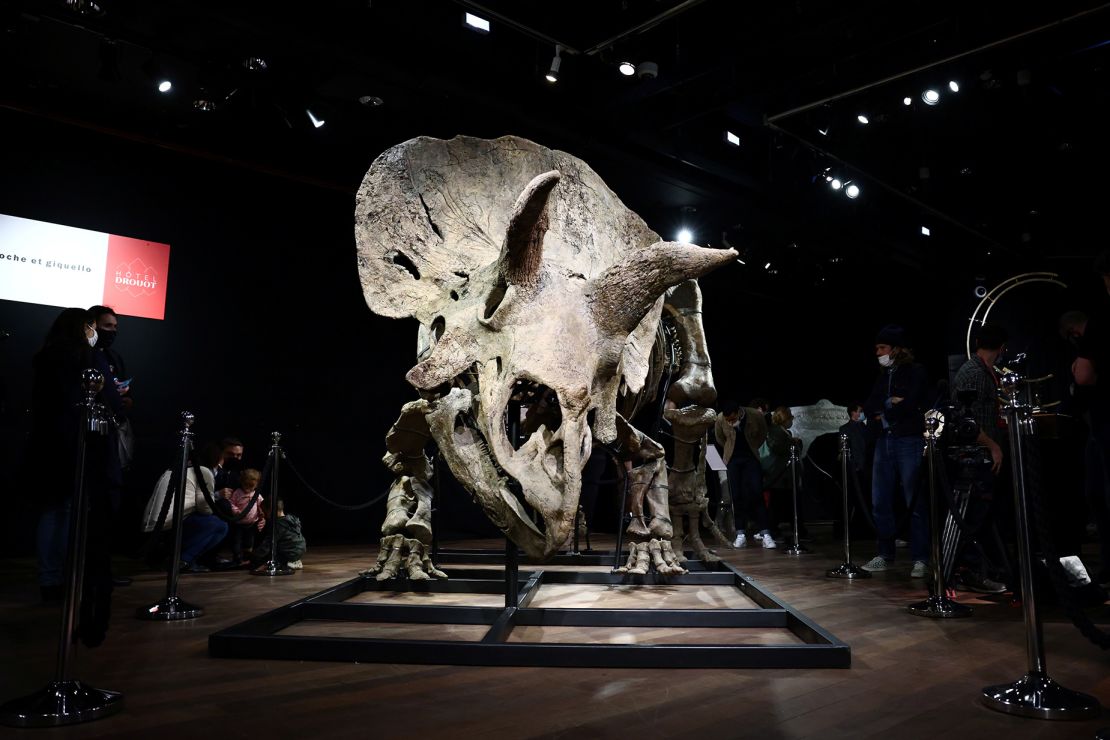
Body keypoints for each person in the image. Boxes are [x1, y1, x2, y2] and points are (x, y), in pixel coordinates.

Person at [26, 308, 125, 644]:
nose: (99, 332)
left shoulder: (46, 357)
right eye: (95, 326)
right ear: (84, 328)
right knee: (72, 511)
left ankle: (50, 578)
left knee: (54, 510)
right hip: (81, 445)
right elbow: (111, 401)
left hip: (48, 446)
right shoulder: (89, 358)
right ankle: (73, 576)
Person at [861, 325, 930, 576]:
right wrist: (891, 403)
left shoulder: (915, 371)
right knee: (880, 501)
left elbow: (912, 403)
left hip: (909, 440)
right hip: (884, 441)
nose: (878, 352)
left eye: (882, 348)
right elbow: (869, 407)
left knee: (914, 501)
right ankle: (884, 553)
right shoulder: (882, 376)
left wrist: (886, 409)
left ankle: (921, 557)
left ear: (896, 348)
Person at [949, 324, 1008, 593]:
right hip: (975, 456)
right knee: (973, 517)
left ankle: (983, 569)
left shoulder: (983, 371)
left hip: (983, 455)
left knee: (983, 516)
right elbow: (966, 419)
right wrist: (993, 446)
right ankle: (967, 572)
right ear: (1002, 347)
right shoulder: (974, 373)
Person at [141, 461, 228, 572]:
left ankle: (170, 556)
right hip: (169, 526)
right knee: (220, 525)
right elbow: (206, 509)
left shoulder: (171, 469)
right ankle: (184, 561)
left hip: (153, 528)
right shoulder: (203, 471)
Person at [713, 399, 776, 548]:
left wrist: (753, 446)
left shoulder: (755, 415)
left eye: (733, 419)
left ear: (739, 412)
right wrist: (729, 450)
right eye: (727, 420)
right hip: (732, 461)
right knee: (735, 496)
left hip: (751, 459)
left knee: (757, 493)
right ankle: (740, 533)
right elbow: (720, 438)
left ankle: (765, 533)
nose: (730, 422)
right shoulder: (720, 418)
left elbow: (762, 433)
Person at [251, 498, 306, 570]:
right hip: (300, 550)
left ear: (270, 511)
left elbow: (267, 544)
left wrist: (253, 557)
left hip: (288, 553)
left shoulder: (277, 525)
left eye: (265, 512)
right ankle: (294, 560)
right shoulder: (292, 518)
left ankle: (285, 563)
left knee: (265, 559)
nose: (264, 515)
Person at [226, 468, 266, 565]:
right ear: (241, 482)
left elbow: (262, 504)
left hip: (251, 524)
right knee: (237, 542)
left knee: (249, 542)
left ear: (257, 485)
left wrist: (262, 513)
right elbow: (230, 503)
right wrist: (236, 511)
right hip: (238, 524)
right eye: (246, 485)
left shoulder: (256, 494)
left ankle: (247, 558)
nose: (248, 489)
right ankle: (237, 558)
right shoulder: (238, 493)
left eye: (251, 486)